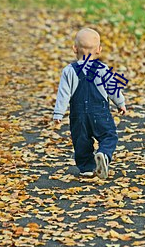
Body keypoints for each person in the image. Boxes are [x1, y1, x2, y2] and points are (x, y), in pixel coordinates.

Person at [53, 28, 126, 179]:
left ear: (75, 48)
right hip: (100, 113)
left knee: (81, 141)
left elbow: (63, 94)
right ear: (99, 50)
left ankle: (86, 168)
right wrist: (120, 103)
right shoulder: (103, 69)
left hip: (78, 115)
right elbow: (113, 88)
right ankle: (104, 154)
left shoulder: (69, 71)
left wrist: (58, 113)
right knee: (109, 136)